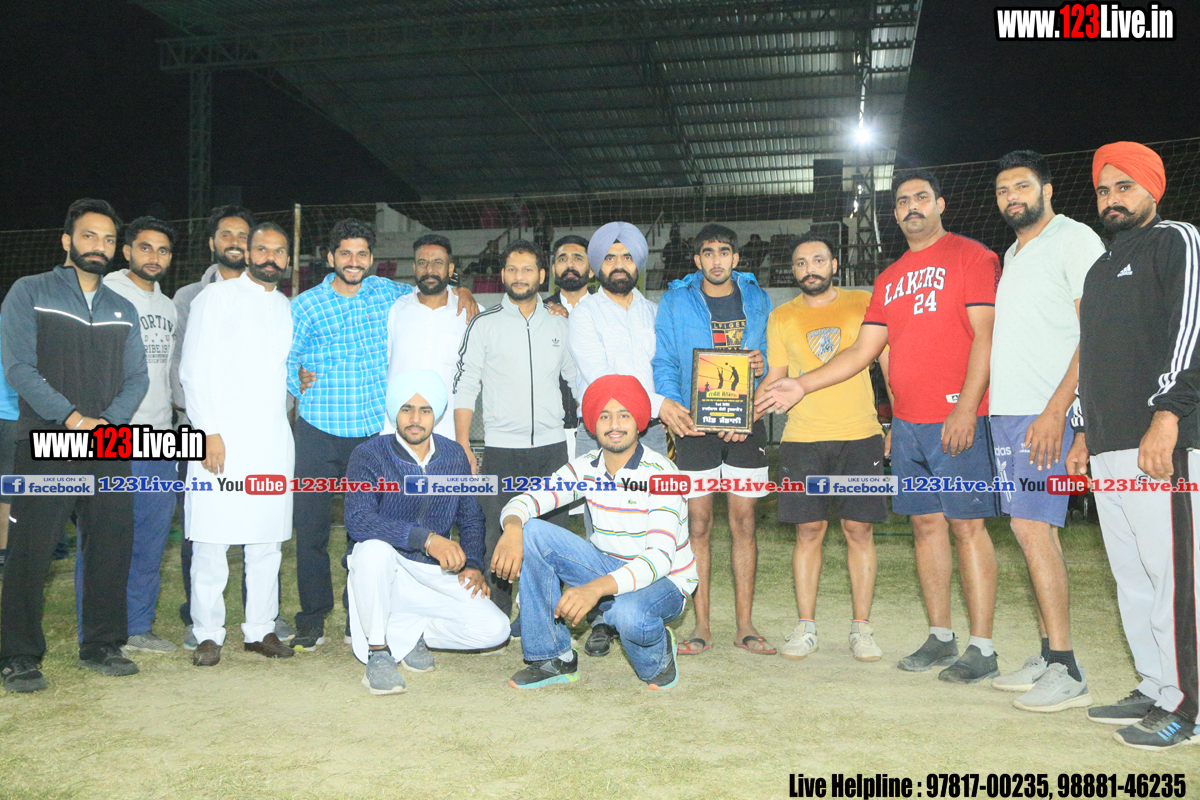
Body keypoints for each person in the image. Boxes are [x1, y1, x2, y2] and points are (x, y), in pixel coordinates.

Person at [757, 169, 1003, 684]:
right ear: (894, 213)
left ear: (940, 204)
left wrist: (967, 407)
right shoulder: (889, 279)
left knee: (967, 526)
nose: (912, 206)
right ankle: (940, 636)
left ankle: (982, 646)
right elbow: (862, 352)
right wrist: (799, 387)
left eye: (921, 197)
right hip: (909, 423)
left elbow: (986, 336)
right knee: (926, 527)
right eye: (903, 201)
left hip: (956, 415)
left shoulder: (973, 257)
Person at [1065, 141, 1200, 750]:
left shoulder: (1177, 241)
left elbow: (1191, 334)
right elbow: (1093, 356)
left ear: (1153, 188)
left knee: (1177, 578)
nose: (1112, 198)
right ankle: (1156, 685)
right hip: (1108, 446)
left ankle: (1189, 706)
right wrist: (1082, 431)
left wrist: (1167, 416)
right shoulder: (1100, 268)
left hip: (1161, 443)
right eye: (1103, 189)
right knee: (1133, 577)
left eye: (1124, 186)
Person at [0, 198, 149, 693]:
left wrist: (107, 423)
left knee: (110, 544)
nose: (98, 246)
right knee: (31, 549)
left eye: (108, 239)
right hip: (45, 440)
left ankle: (102, 644)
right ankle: (18, 654)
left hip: (108, 444)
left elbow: (137, 378)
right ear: (67, 240)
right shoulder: (30, 292)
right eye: (89, 236)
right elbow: (19, 367)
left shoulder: (123, 308)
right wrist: (71, 418)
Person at [988, 151, 1106, 712]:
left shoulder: (1075, 239)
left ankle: (1067, 667)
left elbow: (1096, 333)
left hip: (1045, 414)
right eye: (1003, 190)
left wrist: (1061, 412)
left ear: (1047, 189)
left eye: (1021, 185)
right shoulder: (1013, 254)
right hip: (1009, 414)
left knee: (1034, 529)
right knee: (1031, 534)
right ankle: (1046, 654)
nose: (1012, 196)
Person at [493, 374, 697, 690]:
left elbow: (658, 560)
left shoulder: (663, 474)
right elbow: (529, 499)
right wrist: (512, 528)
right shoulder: (586, 467)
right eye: (605, 416)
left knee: (628, 614)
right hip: (607, 568)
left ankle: (658, 654)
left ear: (639, 422)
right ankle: (553, 657)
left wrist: (594, 590)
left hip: (665, 580)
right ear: (593, 424)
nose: (614, 424)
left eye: (624, 415)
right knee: (531, 531)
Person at [760, 233, 887, 662]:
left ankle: (862, 628)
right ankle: (806, 627)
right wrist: (738, 414)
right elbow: (776, 376)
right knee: (808, 531)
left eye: (817, 260)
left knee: (859, 530)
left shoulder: (863, 302)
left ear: (834, 265)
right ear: (793, 271)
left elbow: (887, 362)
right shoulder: (781, 316)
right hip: (802, 438)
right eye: (800, 263)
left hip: (860, 434)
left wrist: (900, 420)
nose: (809, 268)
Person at [343, 369, 509, 695]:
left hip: (432, 574)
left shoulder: (453, 455)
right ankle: (379, 651)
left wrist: (473, 564)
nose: (415, 419)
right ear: (395, 412)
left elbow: (471, 518)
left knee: (496, 629)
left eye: (425, 410)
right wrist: (426, 539)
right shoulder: (369, 454)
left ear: (437, 415)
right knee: (373, 549)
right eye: (406, 409)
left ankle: (409, 633)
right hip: (385, 570)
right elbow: (358, 520)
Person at [170, 205, 289, 646]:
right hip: (219, 439)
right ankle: (207, 633)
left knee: (266, 543)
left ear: (287, 258)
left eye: (279, 251)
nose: (270, 257)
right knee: (211, 540)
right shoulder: (215, 298)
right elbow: (192, 371)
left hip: (271, 441)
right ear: (250, 253)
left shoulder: (284, 306)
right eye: (263, 249)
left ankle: (261, 629)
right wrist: (208, 432)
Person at [653, 223, 773, 656]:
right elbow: (665, 359)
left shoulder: (758, 298)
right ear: (697, 259)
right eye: (708, 252)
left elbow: (772, 357)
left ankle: (745, 625)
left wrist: (760, 366)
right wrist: (673, 407)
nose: (716, 260)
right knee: (698, 525)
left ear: (736, 258)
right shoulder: (675, 300)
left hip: (746, 424)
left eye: (724, 252)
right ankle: (701, 625)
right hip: (695, 427)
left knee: (744, 524)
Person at [73, 217, 182, 654]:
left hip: (159, 437)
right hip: (113, 435)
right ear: (127, 251)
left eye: (163, 250)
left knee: (151, 538)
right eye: (145, 247)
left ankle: (137, 625)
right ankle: (95, 629)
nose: (153, 256)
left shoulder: (169, 306)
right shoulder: (106, 293)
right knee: (103, 538)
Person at [453, 240, 576, 621]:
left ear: (542, 275)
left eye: (527, 270)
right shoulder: (484, 324)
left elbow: (577, 380)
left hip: (553, 449)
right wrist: (462, 444)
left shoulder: (559, 324)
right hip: (502, 450)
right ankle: (495, 619)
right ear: (503, 274)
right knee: (496, 536)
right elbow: (465, 385)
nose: (519, 276)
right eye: (512, 269)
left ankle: (539, 617)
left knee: (550, 536)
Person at [568, 222, 668, 457]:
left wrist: (670, 405)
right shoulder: (583, 314)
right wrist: (661, 405)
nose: (619, 265)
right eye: (610, 258)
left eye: (627, 257)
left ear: (638, 264)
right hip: (599, 431)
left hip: (651, 431)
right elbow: (602, 379)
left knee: (655, 484)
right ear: (597, 265)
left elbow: (666, 368)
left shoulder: (656, 313)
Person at [383, 234, 467, 441]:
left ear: (450, 269)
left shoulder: (470, 314)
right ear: (414, 268)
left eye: (438, 263)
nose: (429, 270)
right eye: (422, 263)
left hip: (448, 434)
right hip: (397, 435)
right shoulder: (395, 310)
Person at [545, 234, 594, 462]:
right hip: (549, 429)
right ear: (554, 269)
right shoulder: (538, 312)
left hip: (597, 425)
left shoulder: (606, 311)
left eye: (578, 258)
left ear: (592, 270)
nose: (570, 265)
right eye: (562, 259)